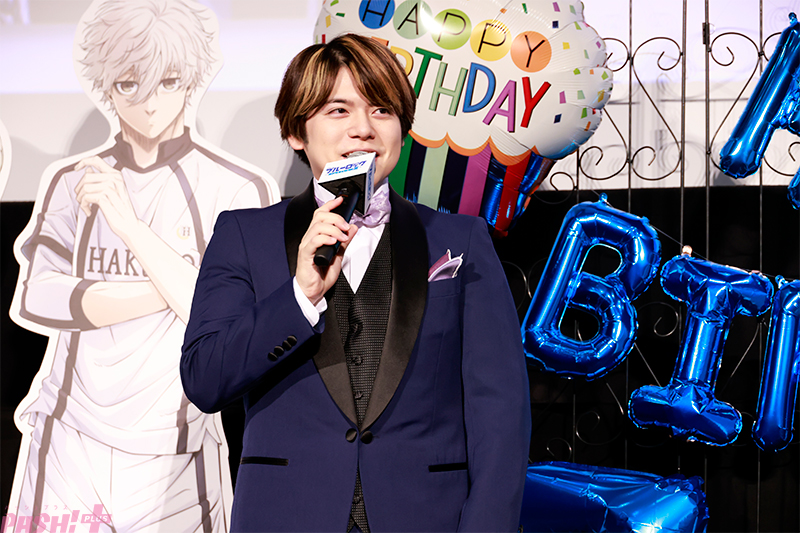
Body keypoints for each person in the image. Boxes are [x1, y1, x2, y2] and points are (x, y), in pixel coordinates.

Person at [181, 33, 530, 532]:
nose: (363, 128)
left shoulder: (460, 239)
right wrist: (300, 296)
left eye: (381, 110)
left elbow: (500, 413)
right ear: (296, 131)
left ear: (403, 129)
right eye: (338, 110)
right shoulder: (244, 236)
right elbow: (205, 379)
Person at [7, 0, 279, 531]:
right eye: (130, 84)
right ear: (106, 87)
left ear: (193, 79)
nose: (150, 102)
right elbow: (37, 294)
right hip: (70, 437)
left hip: (175, 449)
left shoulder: (234, 187)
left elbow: (234, 326)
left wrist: (130, 226)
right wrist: (168, 285)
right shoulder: (75, 180)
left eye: (168, 81)